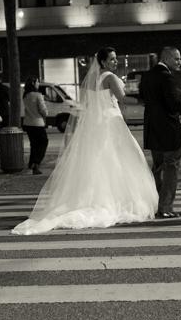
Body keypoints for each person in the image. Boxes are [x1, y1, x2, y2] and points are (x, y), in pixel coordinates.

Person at [12, 48, 158, 234]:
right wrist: (145, 100)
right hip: (111, 121)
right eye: (112, 59)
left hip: (96, 123)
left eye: (116, 59)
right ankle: (117, 200)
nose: (116, 62)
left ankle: (94, 198)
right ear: (103, 62)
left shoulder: (90, 81)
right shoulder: (111, 78)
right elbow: (123, 98)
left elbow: (88, 105)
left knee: (99, 162)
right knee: (122, 160)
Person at [140, 46, 181, 219]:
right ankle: (165, 207)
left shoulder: (147, 76)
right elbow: (175, 104)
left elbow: (143, 99)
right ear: (166, 58)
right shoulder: (166, 77)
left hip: (152, 130)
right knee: (171, 168)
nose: (179, 62)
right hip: (168, 132)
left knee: (158, 168)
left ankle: (157, 203)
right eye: (176, 59)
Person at [22, 75, 49, 175]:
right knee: (43, 142)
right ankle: (36, 163)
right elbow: (42, 110)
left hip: (28, 123)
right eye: (37, 82)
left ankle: (32, 162)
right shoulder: (38, 95)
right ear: (33, 83)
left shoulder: (25, 95)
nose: (38, 84)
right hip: (37, 122)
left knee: (34, 144)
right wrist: (46, 112)